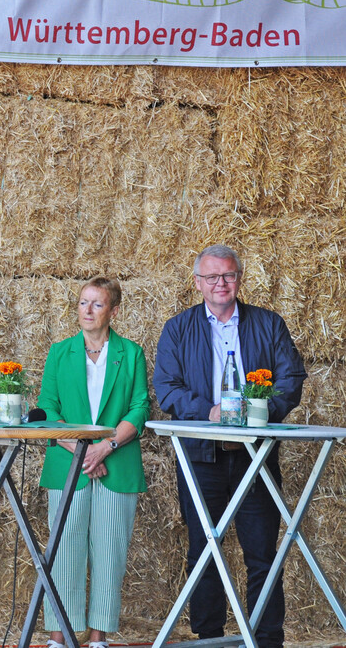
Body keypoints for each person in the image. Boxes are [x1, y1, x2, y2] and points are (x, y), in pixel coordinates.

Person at [153, 244, 306, 648]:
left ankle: (267, 637)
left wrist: (263, 411)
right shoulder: (177, 328)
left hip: (254, 456)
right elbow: (166, 389)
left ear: (239, 278)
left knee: (262, 552)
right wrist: (210, 412)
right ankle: (209, 637)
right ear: (197, 283)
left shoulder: (269, 324)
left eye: (229, 275)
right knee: (204, 549)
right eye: (212, 277)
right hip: (201, 457)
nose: (221, 283)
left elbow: (292, 378)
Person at [37, 277, 149, 648]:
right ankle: (59, 636)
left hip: (117, 466)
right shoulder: (59, 352)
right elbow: (47, 409)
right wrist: (84, 450)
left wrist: (107, 446)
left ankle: (98, 636)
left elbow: (139, 407)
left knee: (109, 551)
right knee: (64, 550)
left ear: (113, 311)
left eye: (97, 304)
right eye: (83, 303)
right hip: (68, 463)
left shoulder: (131, 353)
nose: (87, 310)